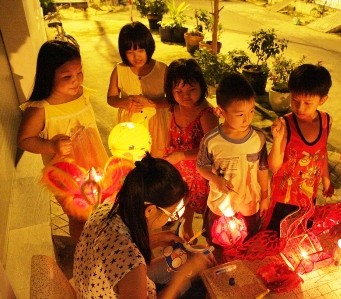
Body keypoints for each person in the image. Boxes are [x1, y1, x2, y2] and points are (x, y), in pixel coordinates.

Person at [74, 153, 214, 298]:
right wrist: (180, 280)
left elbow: (115, 250)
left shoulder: (106, 210)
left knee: (195, 256)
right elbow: (129, 263)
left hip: (93, 288)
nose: (170, 219)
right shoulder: (132, 264)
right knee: (200, 285)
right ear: (150, 210)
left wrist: (155, 240)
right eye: (171, 214)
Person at [17, 40, 108, 239]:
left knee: (97, 208)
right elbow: (24, 140)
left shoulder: (83, 94)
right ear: (48, 76)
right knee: (77, 215)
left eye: (79, 72)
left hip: (93, 165)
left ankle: (96, 243)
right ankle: (81, 251)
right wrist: (51, 145)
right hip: (66, 175)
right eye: (67, 76)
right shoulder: (41, 108)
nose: (77, 80)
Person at [196, 73, 269, 257]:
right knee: (218, 244)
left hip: (249, 204)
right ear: (220, 112)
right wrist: (215, 179)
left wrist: (266, 195)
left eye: (252, 111)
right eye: (240, 114)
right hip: (220, 205)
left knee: (248, 243)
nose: (247, 119)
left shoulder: (258, 138)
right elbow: (201, 166)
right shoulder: (212, 140)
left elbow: (262, 168)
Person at [263, 63, 334, 233]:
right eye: (295, 100)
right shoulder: (285, 124)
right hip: (284, 200)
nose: (300, 107)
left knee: (300, 235)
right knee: (276, 237)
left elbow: (321, 153)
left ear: (322, 100)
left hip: (309, 196)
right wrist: (278, 139)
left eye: (308, 102)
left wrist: (326, 179)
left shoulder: (326, 121)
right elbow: (274, 167)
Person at [163, 58, 219, 242]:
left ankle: (208, 234)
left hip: (200, 172)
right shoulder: (174, 108)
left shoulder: (206, 114)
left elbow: (210, 147)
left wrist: (183, 155)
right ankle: (186, 229)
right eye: (179, 91)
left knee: (203, 206)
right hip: (180, 169)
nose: (185, 96)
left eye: (191, 90)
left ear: (201, 87)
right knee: (185, 201)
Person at [107, 21, 170, 158]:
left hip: (157, 123)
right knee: (132, 160)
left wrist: (151, 103)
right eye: (130, 52)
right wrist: (123, 102)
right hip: (130, 125)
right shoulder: (119, 70)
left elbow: (172, 101)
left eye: (141, 51)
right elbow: (110, 98)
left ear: (149, 47)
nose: (136, 57)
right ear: (123, 53)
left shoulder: (162, 69)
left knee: (157, 158)